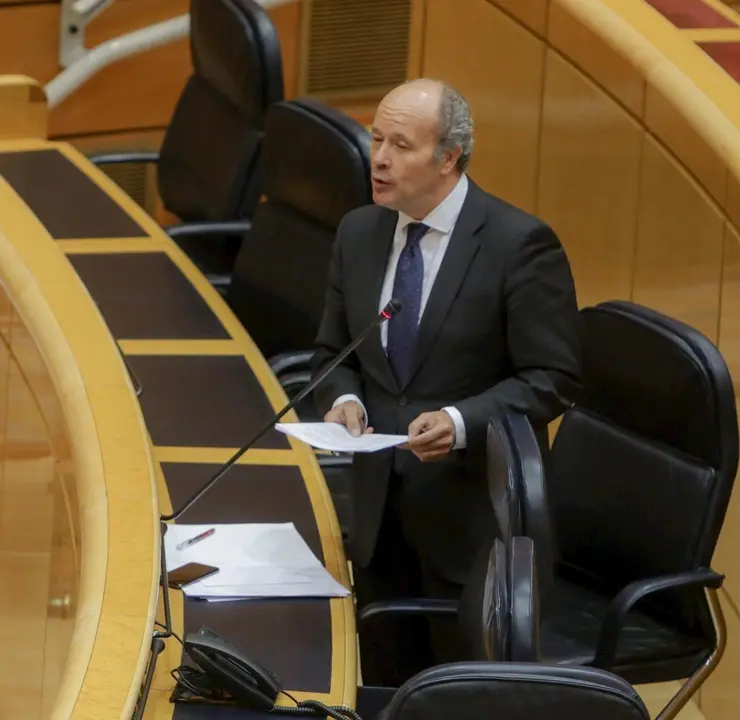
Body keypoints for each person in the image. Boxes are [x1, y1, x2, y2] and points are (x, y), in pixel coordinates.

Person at [313, 78, 582, 686]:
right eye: (376, 138)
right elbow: (334, 354)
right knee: (378, 686)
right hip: (378, 520)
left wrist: (461, 423)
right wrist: (344, 399)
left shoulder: (519, 246)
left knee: (457, 695)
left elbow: (554, 378)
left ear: (448, 158)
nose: (378, 158)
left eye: (401, 145)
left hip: (470, 532)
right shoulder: (359, 233)